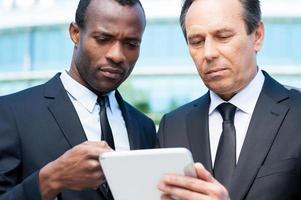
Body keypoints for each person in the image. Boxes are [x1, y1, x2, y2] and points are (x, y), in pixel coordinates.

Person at [0, 0, 156, 199]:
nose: (117, 55)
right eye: (103, 39)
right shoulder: (11, 113)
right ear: (75, 33)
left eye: (131, 44)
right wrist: (51, 179)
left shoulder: (145, 127)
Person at [157, 0, 301, 199]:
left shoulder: (297, 113)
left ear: (257, 35)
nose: (208, 53)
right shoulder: (172, 126)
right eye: (197, 41)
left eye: (223, 37)